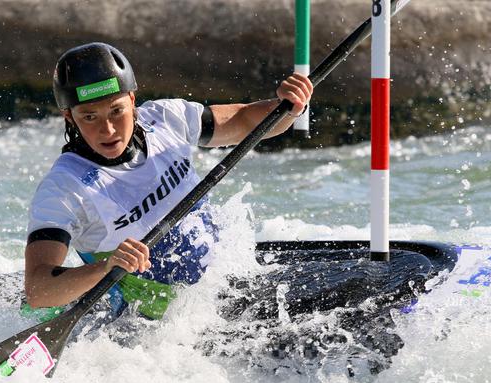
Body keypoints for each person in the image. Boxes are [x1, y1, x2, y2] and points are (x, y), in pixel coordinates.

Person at [24, 42, 313, 320]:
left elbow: (245, 121)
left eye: (116, 110)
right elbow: (38, 290)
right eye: (89, 117)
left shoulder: (166, 119)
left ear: (132, 99)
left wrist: (287, 107)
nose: (108, 129)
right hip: (160, 330)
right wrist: (105, 267)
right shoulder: (64, 188)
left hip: (228, 286)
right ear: (69, 117)